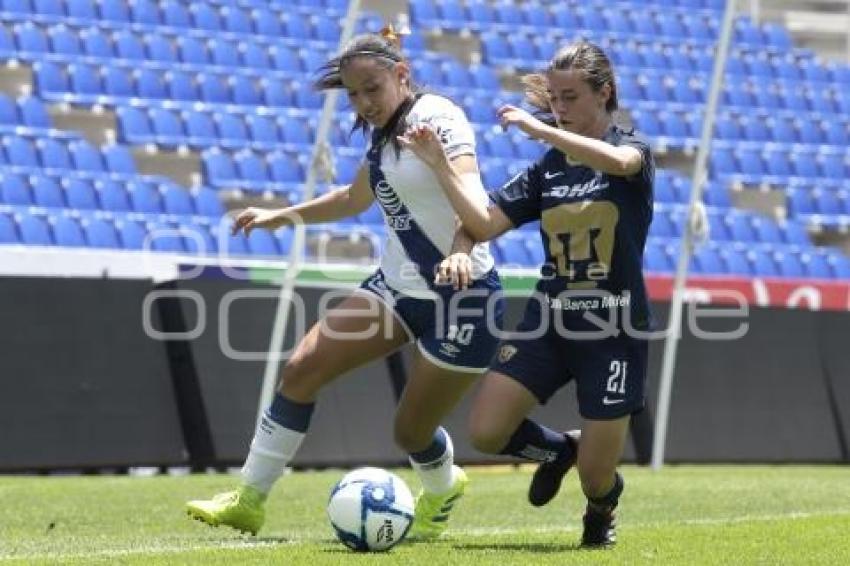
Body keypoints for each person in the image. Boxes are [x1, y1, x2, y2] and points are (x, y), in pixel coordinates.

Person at [186, 27, 504, 538]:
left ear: (401, 75)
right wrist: (279, 216)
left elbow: (478, 209)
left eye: (372, 89)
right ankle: (249, 498)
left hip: (465, 300)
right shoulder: (382, 135)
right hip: (399, 288)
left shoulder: (438, 117)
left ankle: (444, 487)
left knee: (410, 431)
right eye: (353, 94)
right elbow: (353, 199)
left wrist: (440, 170)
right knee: (302, 367)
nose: (363, 103)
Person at [399, 41, 655, 547]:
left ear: (604, 93)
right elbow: (482, 221)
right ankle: (560, 451)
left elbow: (621, 163)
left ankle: (601, 507)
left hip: (613, 332)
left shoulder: (633, 150)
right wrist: (442, 176)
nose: (559, 111)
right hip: (549, 322)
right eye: (554, 99)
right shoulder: (550, 168)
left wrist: (538, 128)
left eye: (570, 98)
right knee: (487, 432)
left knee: (596, 478)